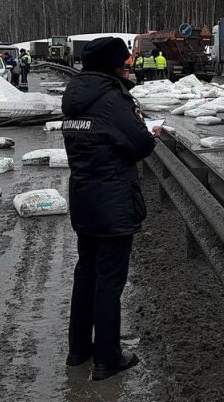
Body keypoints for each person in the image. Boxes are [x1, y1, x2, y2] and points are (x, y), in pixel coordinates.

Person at [61, 36, 162, 381]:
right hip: (113, 201)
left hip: (83, 198)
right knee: (109, 282)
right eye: (123, 63)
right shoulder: (112, 99)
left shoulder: (75, 97)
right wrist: (149, 129)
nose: (127, 67)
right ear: (112, 65)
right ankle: (107, 358)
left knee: (85, 274)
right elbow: (140, 144)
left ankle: (79, 350)